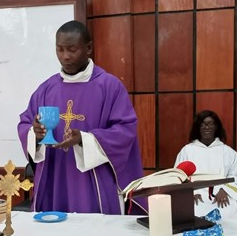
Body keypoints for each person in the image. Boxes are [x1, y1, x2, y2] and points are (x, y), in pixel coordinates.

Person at [17, 20, 144, 214]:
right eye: (59, 50)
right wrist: (35, 134)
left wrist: (85, 140)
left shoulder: (109, 87)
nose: (65, 57)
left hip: (93, 183)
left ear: (89, 48)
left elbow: (125, 130)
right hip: (54, 177)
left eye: (72, 49)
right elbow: (26, 122)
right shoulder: (46, 89)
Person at [174, 110, 237, 219]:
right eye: (202, 124)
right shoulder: (187, 151)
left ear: (216, 127)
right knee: (192, 214)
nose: (206, 127)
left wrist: (225, 191)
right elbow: (178, 175)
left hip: (221, 196)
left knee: (227, 213)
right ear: (197, 128)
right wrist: (189, 193)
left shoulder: (228, 152)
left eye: (210, 124)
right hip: (195, 196)